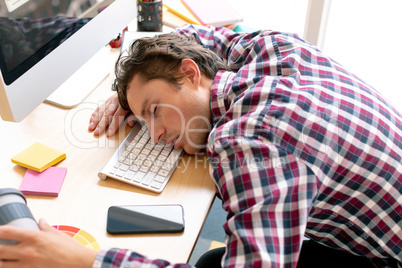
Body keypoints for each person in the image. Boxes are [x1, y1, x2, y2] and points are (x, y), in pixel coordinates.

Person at [0, 24, 401, 267]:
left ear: (190, 73)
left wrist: (88, 261)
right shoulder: (274, 50)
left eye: (156, 111)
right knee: (212, 258)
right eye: (144, 120)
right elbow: (191, 39)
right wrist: (130, 95)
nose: (154, 134)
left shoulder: (246, 144)